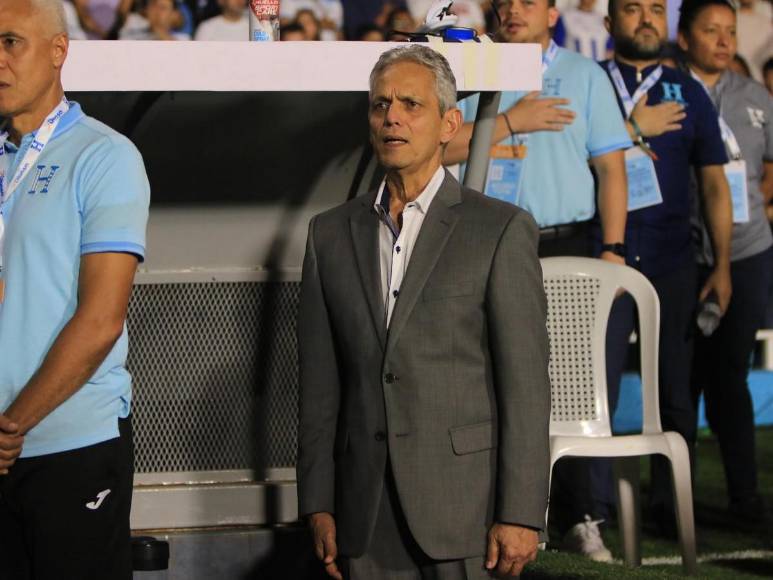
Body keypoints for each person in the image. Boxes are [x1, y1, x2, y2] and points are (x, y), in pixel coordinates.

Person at [297, 44, 551, 580]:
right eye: (380, 104)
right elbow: (319, 385)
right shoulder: (329, 235)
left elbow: (525, 386)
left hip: (465, 512)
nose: (391, 116)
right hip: (362, 511)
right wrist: (317, 501)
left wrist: (521, 513)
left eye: (411, 104)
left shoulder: (499, 229)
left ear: (448, 123)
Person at [445, 0, 630, 560]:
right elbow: (441, 145)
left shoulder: (584, 75)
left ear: (554, 14)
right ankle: (495, 512)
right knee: (486, 382)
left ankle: (579, 517)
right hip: (487, 244)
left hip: (568, 241)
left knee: (572, 385)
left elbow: (611, 168)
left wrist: (614, 250)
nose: (513, 9)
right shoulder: (470, 72)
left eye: (528, 1)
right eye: (504, 1)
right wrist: (510, 121)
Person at [0, 0, 150, 578]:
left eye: (12, 42)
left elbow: (100, 321)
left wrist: (12, 426)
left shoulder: (103, 156)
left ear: (58, 52)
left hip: (70, 446)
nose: (0, 59)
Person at [599, 0, 732, 535]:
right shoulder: (591, 81)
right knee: (592, 387)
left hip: (673, 259)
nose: (647, 18)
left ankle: (673, 508)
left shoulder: (688, 90)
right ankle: (590, 506)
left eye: (656, 8)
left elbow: (715, 183)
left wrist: (721, 263)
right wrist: (631, 126)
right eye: (632, 8)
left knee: (675, 391)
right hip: (601, 252)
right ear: (609, 24)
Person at [677, 0, 773, 524]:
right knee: (681, 380)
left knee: (730, 378)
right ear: (684, 36)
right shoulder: (667, 91)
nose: (723, 40)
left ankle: (745, 497)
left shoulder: (756, 96)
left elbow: (769, 169)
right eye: (710, 30)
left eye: (730, 31)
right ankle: (673, 499)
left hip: (749, 251)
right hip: (683, 255)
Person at [119, 0, 190, 39]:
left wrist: (157, 27)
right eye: (154, 4)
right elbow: (121, 14)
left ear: (172, 15)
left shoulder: (182, 38)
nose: (156, 10)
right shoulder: (134, 21)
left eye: (163, 8)